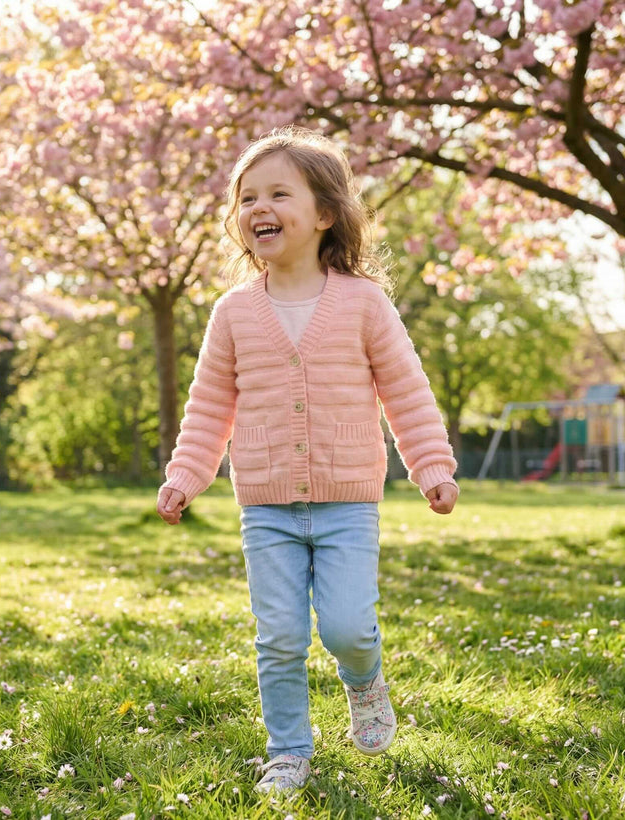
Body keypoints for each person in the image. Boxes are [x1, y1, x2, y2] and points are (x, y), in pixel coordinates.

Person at [157, 126, 458, 794]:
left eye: (278, 194)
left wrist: (432, 466)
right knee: (280, 637)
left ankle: (364, 679)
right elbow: (209, 406)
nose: (258, 208)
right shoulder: (233, 313)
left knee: (349, 628)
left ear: (324, 213)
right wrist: (186, 475)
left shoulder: (363, 303)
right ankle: (289, 750)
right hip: (266, 506)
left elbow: (406, 390)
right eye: (247, 198)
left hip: (348, 501)